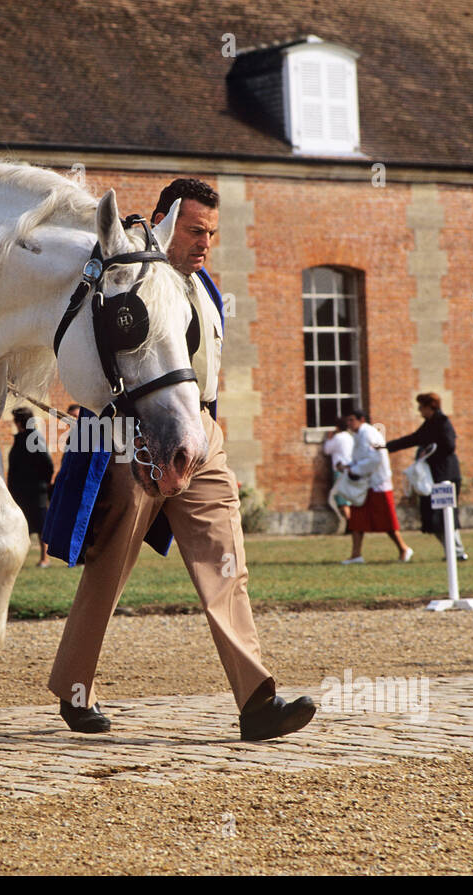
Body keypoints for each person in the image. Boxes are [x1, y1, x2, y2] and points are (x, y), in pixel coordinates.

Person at [43, 178, 316, 741]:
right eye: (195, 230)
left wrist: (209, 428)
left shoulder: (205, 287)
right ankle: (75, 689)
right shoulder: (126, 278)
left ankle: (257, 701)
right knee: (110, 569)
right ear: (166, 222)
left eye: (212, 233)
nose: (204, 244)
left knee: (226, 564)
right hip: (134, 440)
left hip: (203, 435)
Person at [382, 392, 468, 560]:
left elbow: (449, 446)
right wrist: (386, 446)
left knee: (446, 514)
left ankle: (457, 551)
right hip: (432, 477)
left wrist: (429, 451)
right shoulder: (429, 424)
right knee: (432, 516)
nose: (419, 410)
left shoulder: (442, 422)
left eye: (421, 407)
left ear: (430, 407)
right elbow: (413, 439)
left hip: (446, 475)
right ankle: (451, 550)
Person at [341, 409, 412, 565]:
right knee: (357, 519)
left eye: (351, 420)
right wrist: (348, 466)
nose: (349, 424)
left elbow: (375, 458)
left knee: (386, 520)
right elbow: (360, 458)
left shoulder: (370, 434)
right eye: (348, 421)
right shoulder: (358, 435)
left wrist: (354, 469)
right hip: (364, 485)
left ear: (361, 419)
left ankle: (403, 548)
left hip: (378, 484)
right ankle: (356, 554)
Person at [6, 407, 55, 567]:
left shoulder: (34, 437)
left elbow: (47, 462)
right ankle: (17, 559)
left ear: (20, 422)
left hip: (35, 489)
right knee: (20, 524)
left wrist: (45, 482)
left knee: (41, 524)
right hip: (20, 490)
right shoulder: (21, 438)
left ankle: (44, 558)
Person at [322, 415, 354, 528]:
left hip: (340, 471)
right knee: (348, 498)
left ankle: (350, 525)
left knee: (341, 499)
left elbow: (327, 450)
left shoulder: (338, 438)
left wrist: (329, 439)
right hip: (350, 470)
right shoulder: (350, 437)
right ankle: (351, 524)